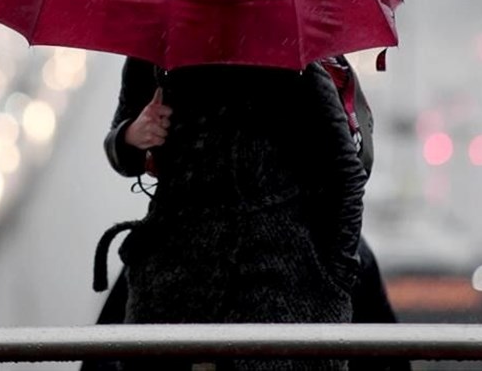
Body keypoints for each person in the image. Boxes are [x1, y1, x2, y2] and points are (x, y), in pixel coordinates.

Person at [86, 56, 410, 371]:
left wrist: (334, 279)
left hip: (281, 283)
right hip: (172, 278)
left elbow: (345, 174)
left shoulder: (294, 61)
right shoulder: (154, 53)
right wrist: (132, 135)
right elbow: (122, 148)